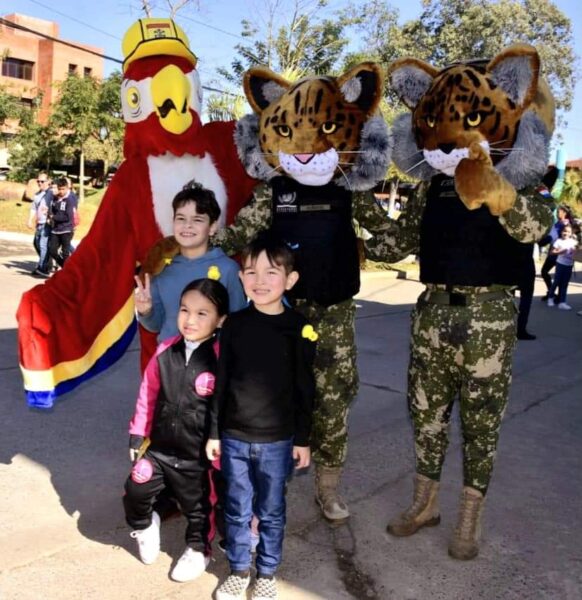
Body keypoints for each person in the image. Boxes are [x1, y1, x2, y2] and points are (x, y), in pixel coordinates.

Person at [207, 234, 316, 600]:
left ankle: (266, 573)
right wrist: (214, 433)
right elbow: (220, 384)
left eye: (272, 272)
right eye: (250, 271)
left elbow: (305, 389)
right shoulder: (235, 324)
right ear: (240, 279)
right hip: (234, 437)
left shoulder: (299, 328)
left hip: (278, 441)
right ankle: (238, 570)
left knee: (271, 511)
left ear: (291, 280)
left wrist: (302, 439)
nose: (260, 280)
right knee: (236, 509)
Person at [123, 278, 228, 582]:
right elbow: (148, 393)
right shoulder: (165, 350)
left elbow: (229, 408)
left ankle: (198, 549)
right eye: (184, 310)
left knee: (199, 508)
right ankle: (145, 526)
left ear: (220, 320)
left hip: (197, 457)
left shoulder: (222, 358)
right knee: (136, 487)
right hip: (159, 450)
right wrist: (138, 431)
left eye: (202, 313)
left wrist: (220, 442)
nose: (190, 319)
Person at [135, 182, 247, 343]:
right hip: (170, 360)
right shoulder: (161, 267)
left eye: (197, 219)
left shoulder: (228, 269)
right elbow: (156, 325)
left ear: (212, 227)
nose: (187, 225)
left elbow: (237, 324)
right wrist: (146, 311)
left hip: (212, 362)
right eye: (181, 218)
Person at [540, 205, 573, 301]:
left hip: (558, 253)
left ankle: (553, 294)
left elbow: (555, 236)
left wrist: (544, 241)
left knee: (551, 273)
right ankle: (552, 293)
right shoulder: (559, 223)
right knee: (548, 273)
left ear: (564, 213)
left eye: (559, 211)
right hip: (555, 251)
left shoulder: (565, 224)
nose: (558, 213)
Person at [27, 172, 53, 277]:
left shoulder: (51, 193)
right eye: (38, 181)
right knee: (36, 243)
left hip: (47, 224)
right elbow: (33, 208)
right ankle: (47, 262)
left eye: (42, 181)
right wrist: (30, 220)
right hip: (39, 223)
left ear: (48, 182)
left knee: (43, 245)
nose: (40, 183)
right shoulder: (37, 195)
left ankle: (43, 268)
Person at [547, 224, 578, 310]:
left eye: (568, 232)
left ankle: (562, 302)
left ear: (571, 233)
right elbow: (551, 252)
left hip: (569, 266)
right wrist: (560, 252)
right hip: (560, 264)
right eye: (564, 231)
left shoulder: (573, 242)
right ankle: (550, 298)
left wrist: (576, 252)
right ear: (561, 232)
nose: (566, 233)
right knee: (556, 282)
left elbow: (577, 252)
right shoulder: (558, 241)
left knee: (564, 284)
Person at [47, 177, 76, 268]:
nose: (61, 191)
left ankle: (67, 270)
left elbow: (68, 216)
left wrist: (54, 217)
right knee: (52, 250)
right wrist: (50, 215)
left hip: (66, 230)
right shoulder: (56, 198)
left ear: (67, 188)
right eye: (60, 189)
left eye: (63, 189)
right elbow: (52, 210)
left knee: (65, 252)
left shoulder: (70, 199)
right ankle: (65, 266)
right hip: (56, 229)